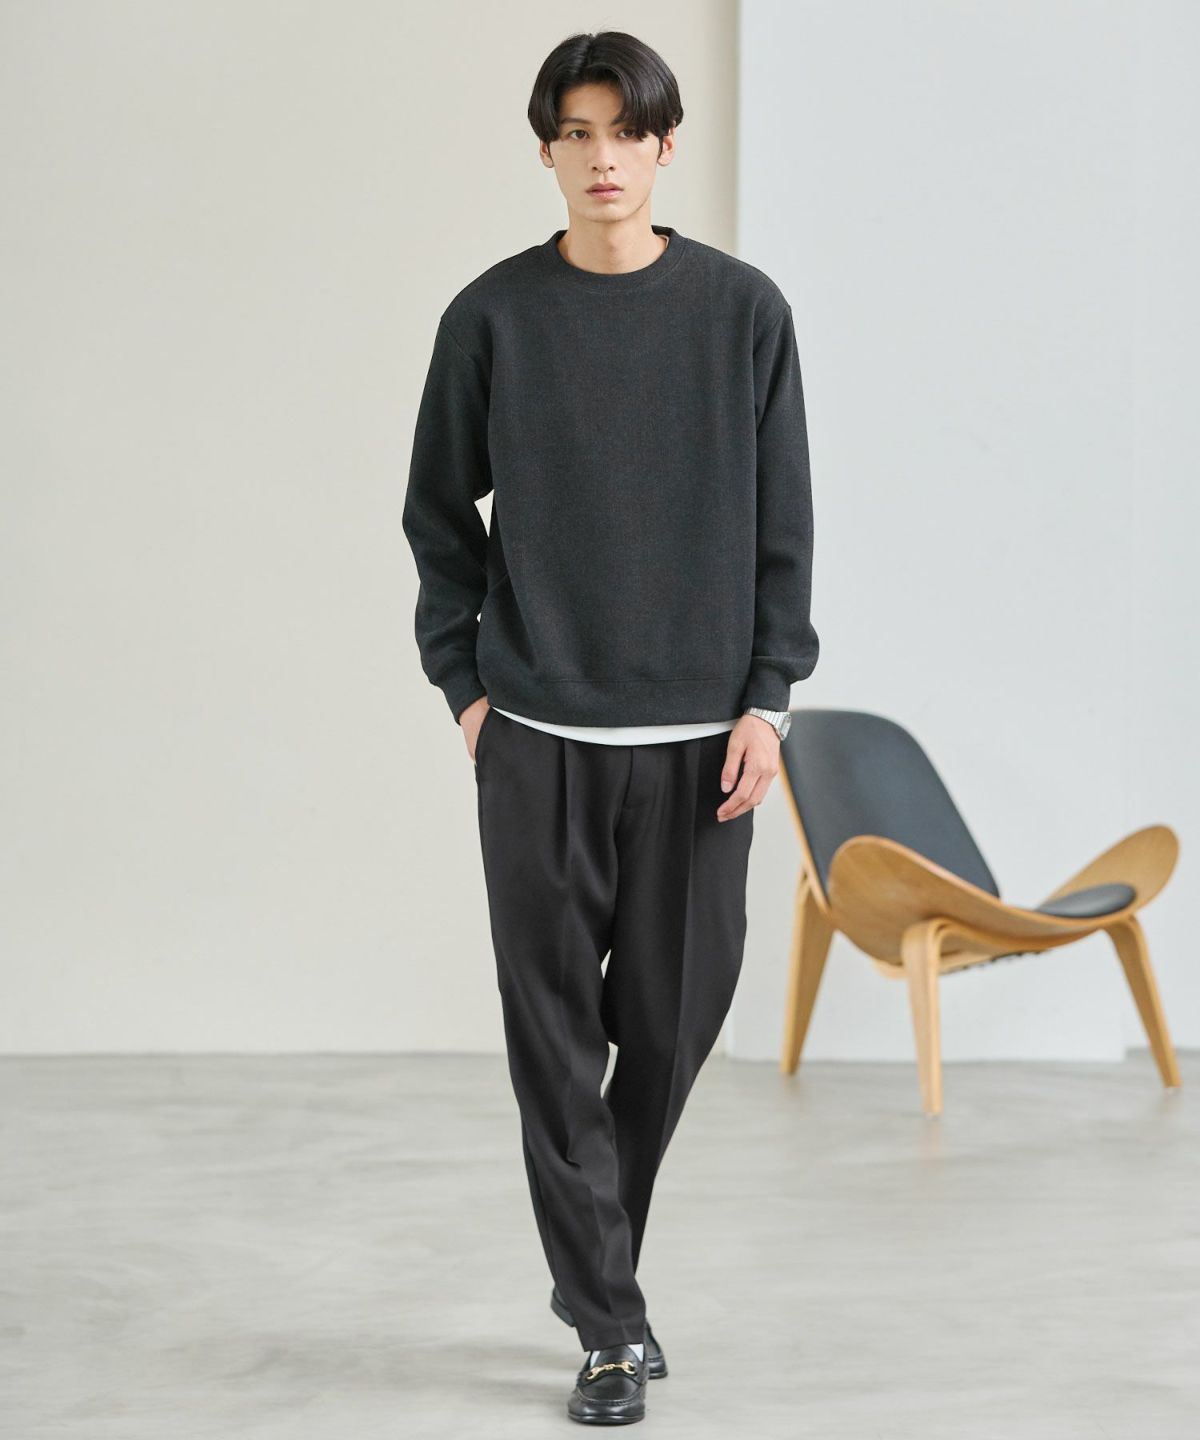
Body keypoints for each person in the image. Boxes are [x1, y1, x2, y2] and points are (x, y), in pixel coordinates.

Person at [402, 28, 818, 1426]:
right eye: (575, 133)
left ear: (664, 145)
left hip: (704, 746)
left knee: (674, 1019)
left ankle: (599, 1276)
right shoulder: (492, 318)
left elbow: (785, 526)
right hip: (537, 733)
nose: (602, 158)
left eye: (625, 132)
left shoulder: (742, 313)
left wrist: (769, 697)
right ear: (546, 150)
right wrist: (466, 686)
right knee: (552, 1040)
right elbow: (436, 515)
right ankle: (609, 1326)